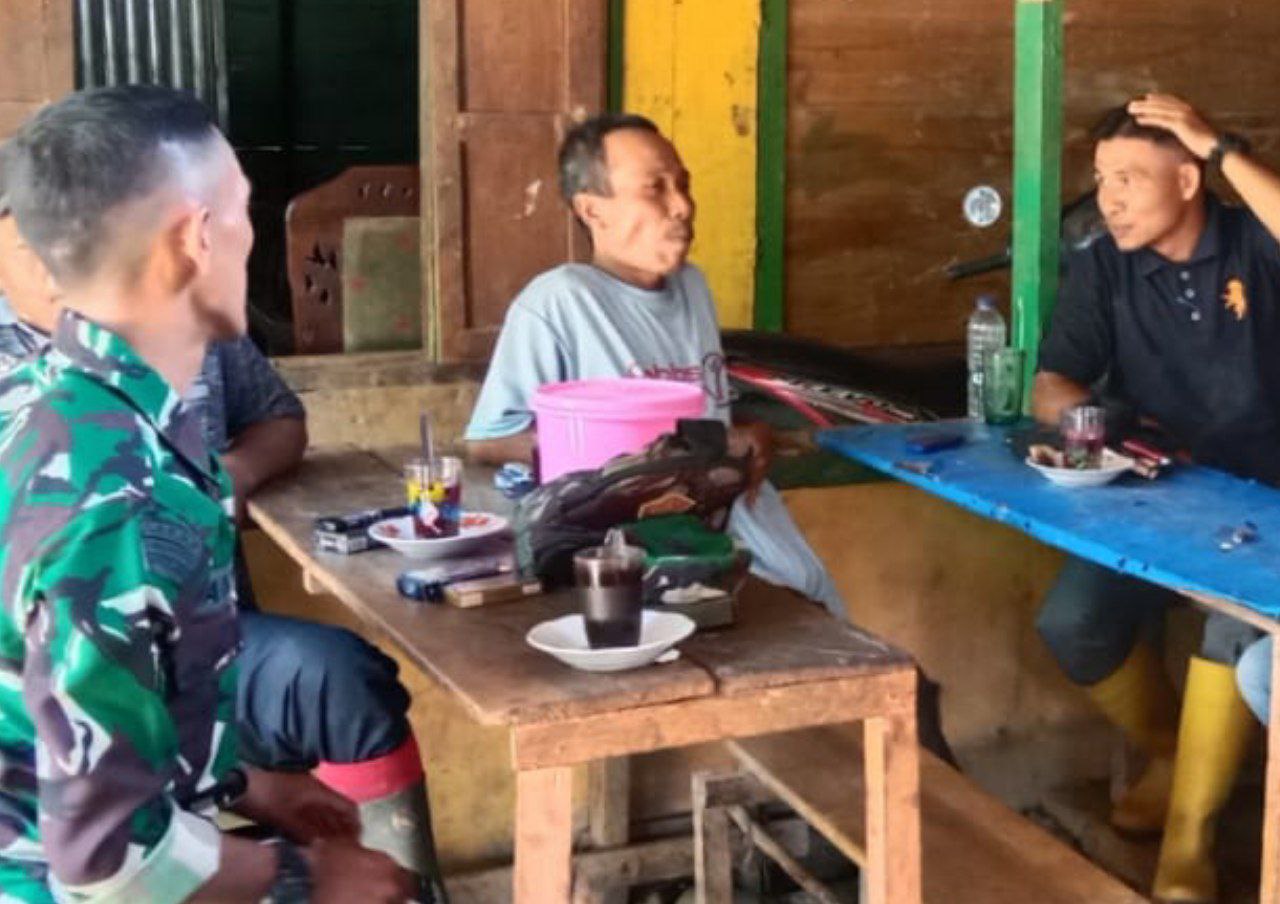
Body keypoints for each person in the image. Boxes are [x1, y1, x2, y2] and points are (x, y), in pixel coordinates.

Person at [0, 85, 419, 903]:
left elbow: (84, 717)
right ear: (195, 237)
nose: (249, 237)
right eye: (242, 211)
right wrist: (304, 874)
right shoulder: (121, 495)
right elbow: (111, 867)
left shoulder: (62, 408)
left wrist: (244, 786)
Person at [1033, 93, 1280, 903]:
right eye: (1102, 179)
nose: (1108, 200)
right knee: (1073, 622)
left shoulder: (1252, 242)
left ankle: (1190, 839)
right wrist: (1093, 425)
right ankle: (1174, 754)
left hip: (1266, 503)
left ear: (1187, 180)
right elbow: (1050, 384)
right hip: (1157, 495)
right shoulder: (1105, 264)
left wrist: (1219, 145)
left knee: (1232, 623)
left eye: (1129, 179)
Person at [464, 112, 844, 617]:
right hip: (644, 545)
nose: (682, 206)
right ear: (592, 209)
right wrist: (628, 460)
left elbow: (702, 412)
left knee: (819, 607)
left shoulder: (693, 287)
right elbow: (487, 439)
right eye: (655, 189)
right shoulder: (559, 302)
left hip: (731, 524)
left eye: (683, 185)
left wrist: (745, 433)